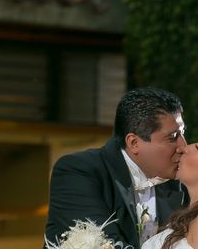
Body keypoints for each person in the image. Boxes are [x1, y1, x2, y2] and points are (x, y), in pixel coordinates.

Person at [44, 87, 188, 248]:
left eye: (183, 133)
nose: (184, 146)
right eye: (173, 137)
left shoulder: (178, 181)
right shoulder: (77, 172)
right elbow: (104, 243)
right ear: (134, 143)